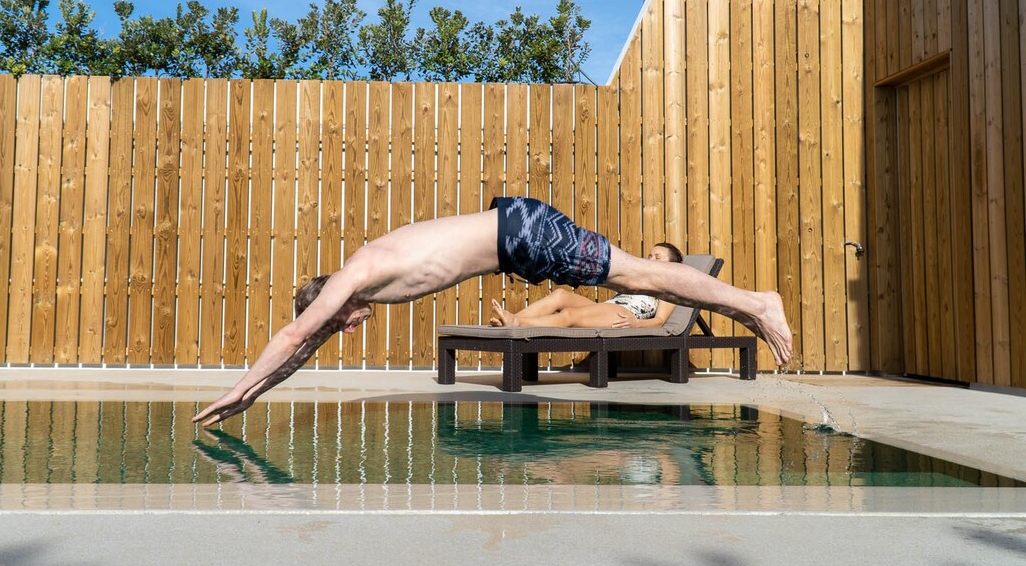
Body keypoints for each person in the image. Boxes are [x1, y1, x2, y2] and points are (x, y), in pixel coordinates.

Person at [193, 197, 792, 426]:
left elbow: (296, 331)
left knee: (635, 271)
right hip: (517, 240)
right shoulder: (359, 288)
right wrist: (256, 394)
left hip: (521, 234)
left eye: (340, 320)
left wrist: (236, 387)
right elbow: (304, 346)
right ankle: (746, 308)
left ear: (334, 300)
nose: (345, 330)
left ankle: (755, 303)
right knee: (634, 271)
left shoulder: (357, 275)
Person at [488, 242, 684, 330]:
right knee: (560, 295)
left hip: (623, 315)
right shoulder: (641, 280)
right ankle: (512, 320)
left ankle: (518, 323)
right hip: (609, 307)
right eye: (649, 255)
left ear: (672, 265)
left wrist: (636, 324)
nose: (650, 259)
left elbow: (660, 321)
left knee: (569, 316)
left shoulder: (668, 290)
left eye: (657, 257)